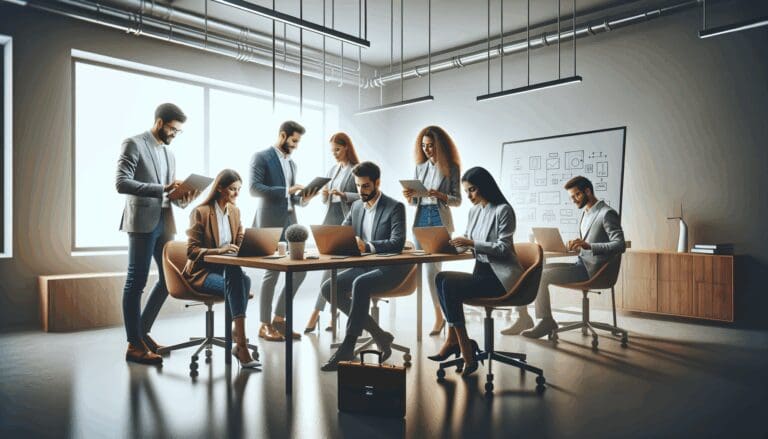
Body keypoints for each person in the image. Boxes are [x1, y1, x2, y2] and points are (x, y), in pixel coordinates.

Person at [116, 103, 197, 365]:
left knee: (168, 280)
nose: (175, 134)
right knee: (135, 282)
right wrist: (162, 187)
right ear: (160, 122)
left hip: (165, 221)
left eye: (179, 131)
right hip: (141, 221)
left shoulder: (169, 154)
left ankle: (142, 333)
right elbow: (122, 182)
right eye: (173, 129)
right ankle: (133, 344)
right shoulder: (134, 143)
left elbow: (169, 195)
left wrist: (185, 196)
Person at [428, 167, 523, 377]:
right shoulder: (474, 211)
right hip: (481, 272)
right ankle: (457, 341)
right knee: (441, 278)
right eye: (466, 191)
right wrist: (448, 245)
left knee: (449, 285)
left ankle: (461, 345)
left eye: (472, 190)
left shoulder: (503, 210)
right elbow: (467, 241)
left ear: (484, 187)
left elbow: (503, 248)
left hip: (499, 278)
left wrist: (471, 242)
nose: (469, 196)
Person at [507, 175, 626, 338]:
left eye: (577, 195)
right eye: (572, 197)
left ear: (588, 191)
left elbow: (620, 244)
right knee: (534, 271)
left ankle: (545, 321)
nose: (574, 200)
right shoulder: (587, 213)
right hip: (581, 264)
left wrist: (589, 246)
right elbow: (588, 242)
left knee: (541, 277)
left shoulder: (606, 213)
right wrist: (573, 245)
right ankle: (523, 317)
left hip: (593, 271)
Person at [319, 161, 411, 371]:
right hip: (365, 267)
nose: (361, 191)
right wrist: (331, 239)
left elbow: (397, 242)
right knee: (328, 288)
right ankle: (379, 334)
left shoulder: (395, 207)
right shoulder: (356, 206)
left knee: (359, 284)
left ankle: (348, 346)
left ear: (377, 183)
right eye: (358, 186)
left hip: (391, 269)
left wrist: (367, 246)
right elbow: (343, 231)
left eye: (366, 186)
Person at [182, 169, 259, 368]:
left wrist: (248, 245)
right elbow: (191, 251)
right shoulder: (201, 212)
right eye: (233, 189)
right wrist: (220, 250)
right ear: (220, 189)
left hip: (225, 269)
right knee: (238, 278)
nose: (236, 194)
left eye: (239, 189)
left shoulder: (235, 211)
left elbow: (240, 239)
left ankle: (237, 334)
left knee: (244, 279)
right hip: (202, 272)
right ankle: (240, 345)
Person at [249, 121, 317, 341]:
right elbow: (254, 188)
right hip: (269, 222)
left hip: (290, 222)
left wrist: (304, 198)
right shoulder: (261, 157)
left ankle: (279, 319)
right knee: (272, 273)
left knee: (300, 270)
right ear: (282, 135)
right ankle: (264, 324)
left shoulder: (292, 164)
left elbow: (292, 198)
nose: (296, 145)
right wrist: (287, 190)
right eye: (294, 140)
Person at [402, 126, 461, 336]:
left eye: (431, 145)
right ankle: (438, 315)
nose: (427, 149)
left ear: (439, 145)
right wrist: (410, 196)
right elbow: (415, 200)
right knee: (423, 269)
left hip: (439, 217)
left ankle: (444, 316)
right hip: (421, 218)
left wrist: (440, 195)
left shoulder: (451, 168)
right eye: (424, 146)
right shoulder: (420, 168)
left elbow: (458, 200)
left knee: (433, 271)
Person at [304, 132, 361, 333]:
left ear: (346, 147)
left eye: (337, 149)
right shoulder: (332, 169)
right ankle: (328, 313)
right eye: (332, 151)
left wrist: (344, 194)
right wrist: (325, 194)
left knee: (337, 270)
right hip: (330, 218)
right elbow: (324, 200)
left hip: (345, 219)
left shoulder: (356, 170)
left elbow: (363, 196)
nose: (335, 154)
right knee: (328, 267)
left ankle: (320, 313)